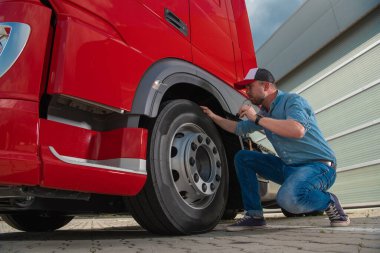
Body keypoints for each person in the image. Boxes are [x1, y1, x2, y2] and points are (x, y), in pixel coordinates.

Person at [200, 68, 350, 231]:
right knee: (243, 157)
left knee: (288, 199)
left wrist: (256, 118)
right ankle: (254, 216)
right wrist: (213, 116)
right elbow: (238, 128)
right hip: (288, 167)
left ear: (265, 86)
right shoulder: (264, 113)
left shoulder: (293, 101)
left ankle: (329, 201)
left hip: (318, 167)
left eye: (249, 86)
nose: (246, 91)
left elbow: (297, 130)